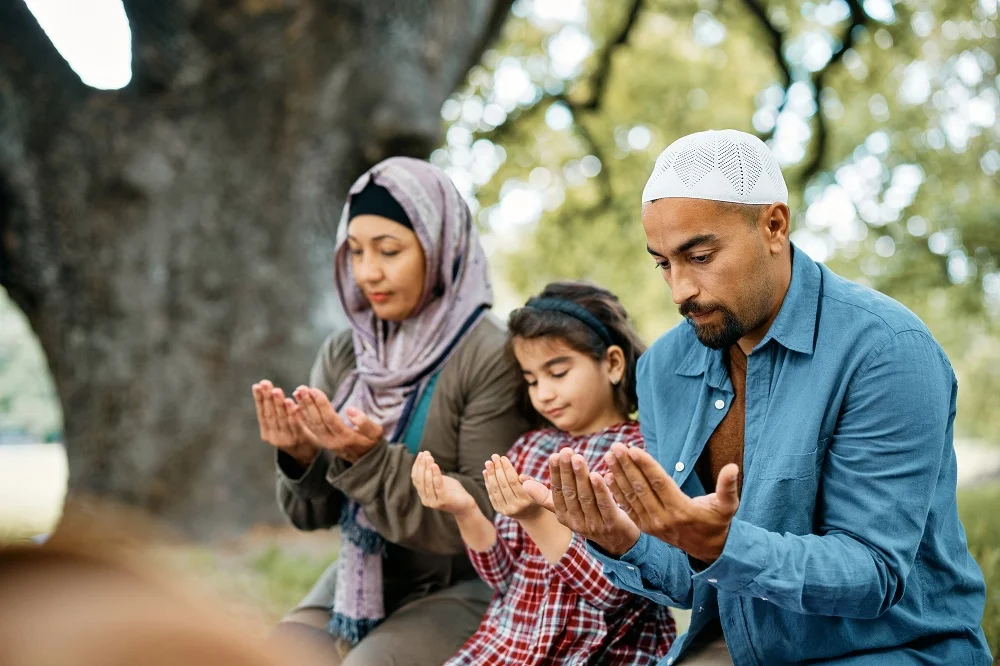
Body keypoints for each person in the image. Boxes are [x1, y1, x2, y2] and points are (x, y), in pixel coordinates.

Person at [524, 130, 992, 665]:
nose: (680, 290)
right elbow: (691, 581)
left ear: (774, 226)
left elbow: (872, 574)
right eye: (663, 264)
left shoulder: (887, 350)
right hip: (736, 648)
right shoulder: (662, 369)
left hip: (887, 649)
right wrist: (621, 538)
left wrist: (721, 545)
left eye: (700, 256)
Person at [251, 157, 531, 665]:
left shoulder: (490, 356)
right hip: (365, 576)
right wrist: (301, 458)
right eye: (355, 251)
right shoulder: (347, 352)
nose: (368, 272)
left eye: (389, 250)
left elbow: (489, 515)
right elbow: (310, 515)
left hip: (470, 581)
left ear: (439, 247)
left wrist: (370, 461)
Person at [413, 281, 676, 665]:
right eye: (532, 380)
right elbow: (502, 578)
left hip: (599, 652)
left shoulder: (637, 454)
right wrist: (465, 509)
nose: (544, 394)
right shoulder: (529, 447)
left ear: (613, 364)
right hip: (511, 644)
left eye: (558, 372)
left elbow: (611, 592)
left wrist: (534, 516)